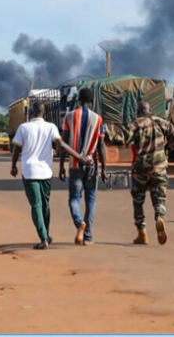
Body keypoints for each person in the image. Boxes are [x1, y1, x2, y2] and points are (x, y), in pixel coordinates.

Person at [12, 101, 91, 250]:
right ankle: (46, 235)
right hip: (46, 173)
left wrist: (13, 166)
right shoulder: (51, 127)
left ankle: (43, 238)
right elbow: (61, 145)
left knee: (36, 206)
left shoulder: (23, 128)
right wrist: (79, 157)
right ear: (45, 113)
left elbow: (16, 149)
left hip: (30, 173)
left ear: (31, 113)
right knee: (45, 205)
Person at [110, 101, 174, 246]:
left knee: (138, 200)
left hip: (141, 169)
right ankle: (159, 217)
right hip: (160, 167)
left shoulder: (136, 124)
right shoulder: (162, 123)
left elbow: (121, 140)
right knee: (159, 198)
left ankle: (142, 233)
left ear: (138, 111)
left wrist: (107, 134)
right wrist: (167, 147)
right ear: (150, 110)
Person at [59, 88, 108, 246]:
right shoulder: (98, 119)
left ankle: (80, 222)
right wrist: (104, 168)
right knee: (91, 200)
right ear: (91, 101)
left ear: (78, 100)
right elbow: (101, 145)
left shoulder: (69, 117)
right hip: (92, 165)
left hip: (75, 164)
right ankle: (88, 236)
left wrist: (61, 165)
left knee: (74, 199)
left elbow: (63, 143)